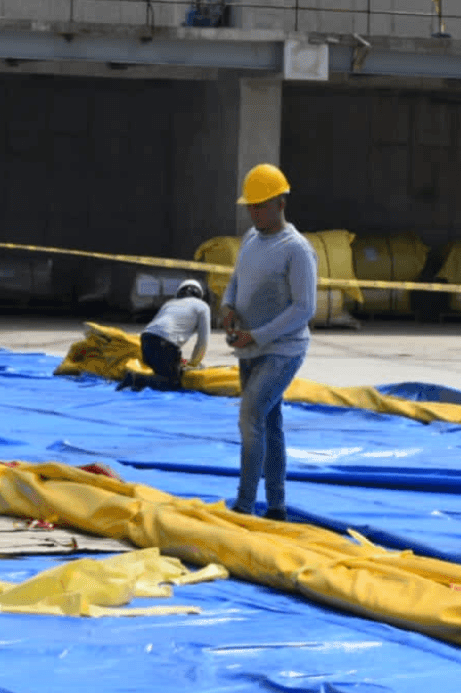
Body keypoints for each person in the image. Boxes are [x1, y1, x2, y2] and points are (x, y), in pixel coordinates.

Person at [220, 163, 317, 521]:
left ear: (280, 202)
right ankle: (276, 506)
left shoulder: (297, 250)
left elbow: (304, 308)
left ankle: (245, 506)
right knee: (268, 423)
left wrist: (258, 334)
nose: (254, 212)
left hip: (281, 351)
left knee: (249, 416)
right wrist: (228, 306)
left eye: (260, 206)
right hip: (250, 348)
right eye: (250, 206)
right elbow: (235, 280)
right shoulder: (250, 239)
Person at [118, 278, 212, 392]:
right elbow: (203, 341)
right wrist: (194, 363)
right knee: (171, 384)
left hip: (146, 340)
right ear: (198, 294)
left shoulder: (169, 303)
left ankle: (138, 382)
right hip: (164, 342)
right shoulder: (202, 306)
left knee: (158, 375)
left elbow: (159, 328)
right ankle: (135, 378)